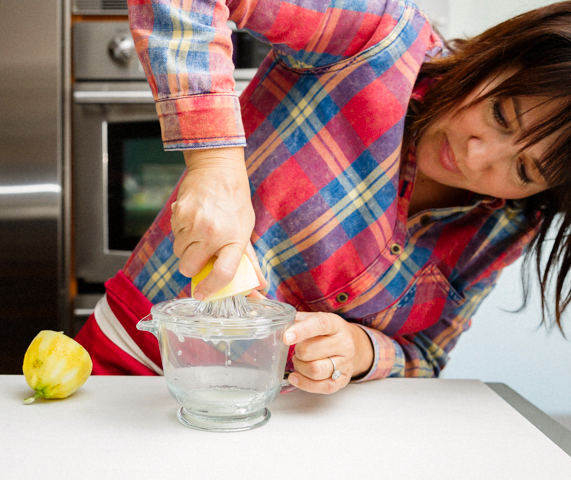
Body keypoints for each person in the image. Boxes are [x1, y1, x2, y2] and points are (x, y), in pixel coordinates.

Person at [75, 0, 571, 393]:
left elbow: (426, 356)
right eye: (503, 114)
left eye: (524, 170)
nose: (477, 157)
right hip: (132, 369)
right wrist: (215, 164)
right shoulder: (381, 38)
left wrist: (359, 350)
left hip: (286, 425)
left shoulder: (505, 226)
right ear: (499, 58)